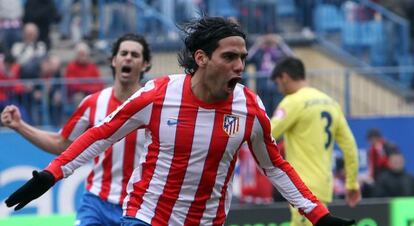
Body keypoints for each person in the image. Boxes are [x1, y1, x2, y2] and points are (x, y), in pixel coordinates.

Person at [4, 17, 354, 226]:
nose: (239, 67)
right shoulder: (158, 93)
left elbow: (275, 166)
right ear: (201, 58)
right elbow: (101, 135)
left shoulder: (249, 107)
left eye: (243, 58)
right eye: (229, 57)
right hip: (146, 216)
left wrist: (319, 216)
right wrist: (51, 175)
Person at [1, 33, 152, 226]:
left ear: (145, 64)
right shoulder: (93, 103)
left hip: (137, 207)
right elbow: (61, 143)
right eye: (124, 53)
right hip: (96, 202)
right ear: (114, 60)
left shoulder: (153, 105)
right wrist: (19, 126)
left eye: (135, 54)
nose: (128, 57)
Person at [270, 57, 361, 226]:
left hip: (302, 190)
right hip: (324, 186)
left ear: (284, 77)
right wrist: (352, 183)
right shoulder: (331, 103)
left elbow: (266, 133)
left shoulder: (292, 102)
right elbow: (349, 146)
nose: (279, 89)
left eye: (277, 83)